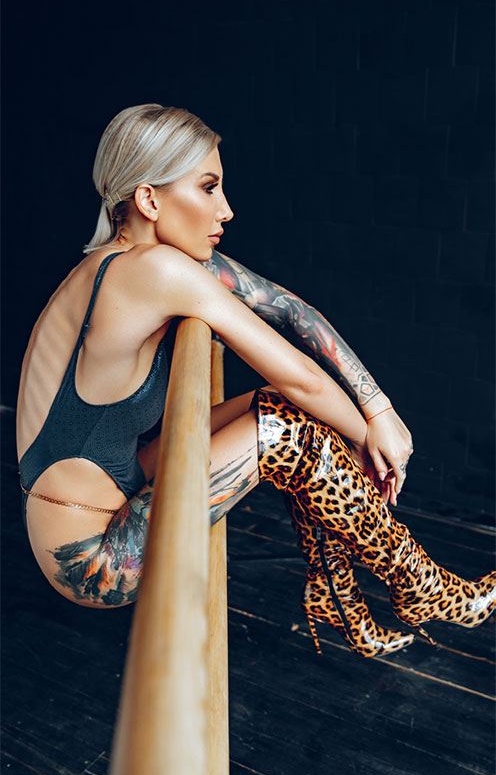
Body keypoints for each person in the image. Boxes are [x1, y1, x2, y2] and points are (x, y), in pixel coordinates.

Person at [16, 104, 496, 659]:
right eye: (208, 187)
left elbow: (291, 311)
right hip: (93, 557)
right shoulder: (152, 271)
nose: (226, 209)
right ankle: (423, 588)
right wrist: (373, 440)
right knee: (286, 431)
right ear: (149, 199)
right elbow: (303, 379)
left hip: (114, 486)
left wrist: (380, 410)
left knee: (279, 409)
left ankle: (337, 594)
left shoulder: (133, 261)